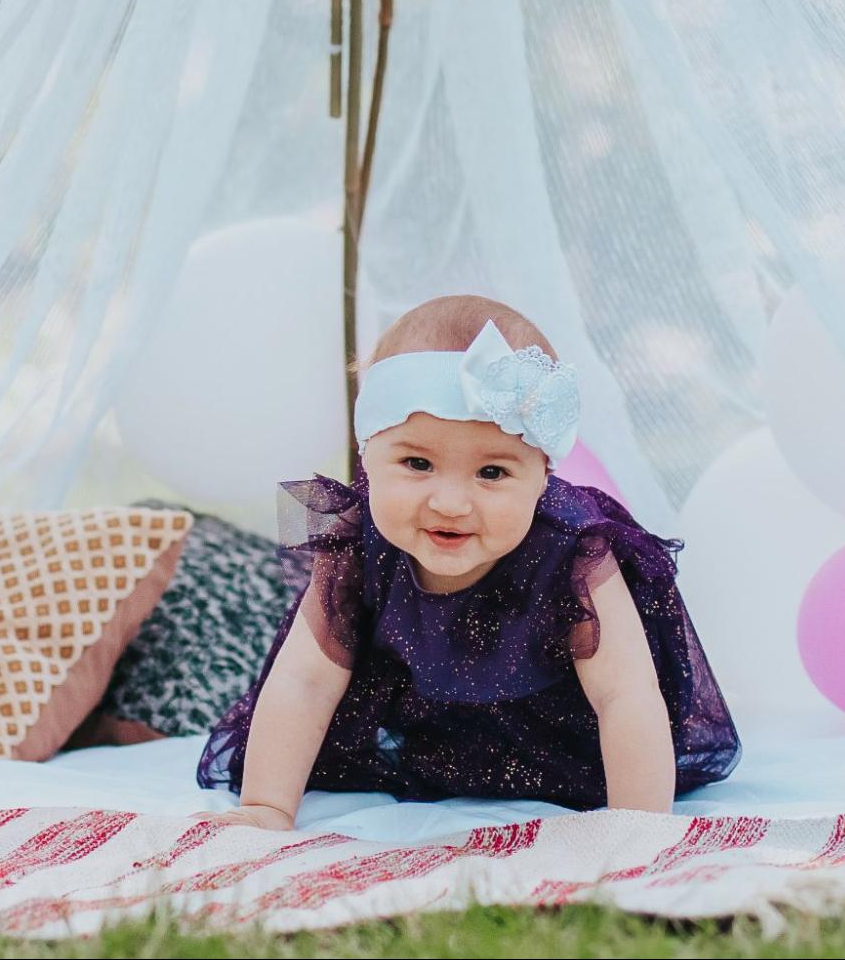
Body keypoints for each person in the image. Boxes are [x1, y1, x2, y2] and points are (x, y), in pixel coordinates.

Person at [195, 295, 739, 828]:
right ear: (368, 456)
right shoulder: (357, 545)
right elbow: (304, 684)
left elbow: (624, 694)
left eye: (492, 473)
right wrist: (266, 807)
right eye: (417, 462)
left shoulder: (573, 552)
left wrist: (635, 827)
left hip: (567, 742)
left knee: (615, 730)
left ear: (542, 476)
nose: (451, 504)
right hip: (434, 729)